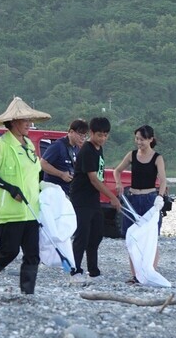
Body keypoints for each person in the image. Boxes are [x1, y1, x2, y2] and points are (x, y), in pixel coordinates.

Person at [0, 97, 51, 295]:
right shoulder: (1, 145)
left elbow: (36, 173)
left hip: (31, 210)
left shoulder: (28, 144)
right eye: (24, 120)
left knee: (32, 254)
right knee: (8, 252)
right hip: (10, 211)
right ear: (12, 122)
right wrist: (10, 189)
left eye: (29, 120)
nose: (29, 124)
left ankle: (27, 293)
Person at [113, 124, 168, 283]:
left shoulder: (157, 158)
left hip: (150, 199)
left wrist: (160, 198)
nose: (139, 142)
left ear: (151, 139)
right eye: (137, 139)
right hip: (133, 199)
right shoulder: (131, 155)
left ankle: (150, 272)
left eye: (142, 139)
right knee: (132, 236)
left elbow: (163, 180)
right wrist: (118, 183)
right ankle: (135, 275)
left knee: (151, 236)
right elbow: (117, 170)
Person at [69, 116, 121, 281]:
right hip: (81, 198)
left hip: (93, 198)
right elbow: (93, 178)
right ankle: (75, 271)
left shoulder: (99, 149)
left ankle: (93, 271)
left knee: (96, 234)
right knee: (82, 236)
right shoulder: (87, 149)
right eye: (99, 135)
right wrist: (112, 197)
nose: (103, 138)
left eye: (106, 135)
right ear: (91, 133)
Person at [40, 119, 89, 196]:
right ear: (71, 132)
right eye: (80, 135)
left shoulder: (76, 148)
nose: (82, 138)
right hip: (55, 192)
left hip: (68, 191)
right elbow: (43, 163)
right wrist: (61, 174)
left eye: (84, 136)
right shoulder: (58, 146)